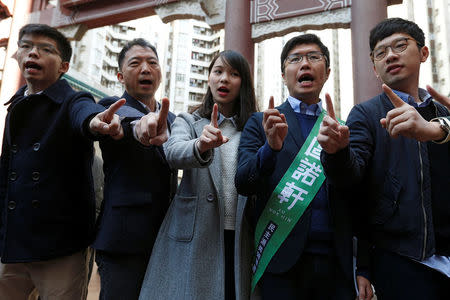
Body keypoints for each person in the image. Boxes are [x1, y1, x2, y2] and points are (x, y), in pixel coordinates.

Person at [318, 18, 450, 300]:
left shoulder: (443, 112)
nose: (390, 55)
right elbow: (350, 180)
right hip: (400, 257)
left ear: (423, 53)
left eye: (400, 46)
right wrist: (337, 152)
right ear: (374, 66)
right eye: (380, 52)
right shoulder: (365, 114)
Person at [235, 33, 372, 300]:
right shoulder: (261, 123)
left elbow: (358, 195)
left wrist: (364, 265)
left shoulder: (341, 127)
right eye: (295, 59)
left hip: (336, 263)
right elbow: (243, 182)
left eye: (313, 57)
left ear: (327, 71)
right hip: (280, 261)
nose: (304, 64)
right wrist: (270, 149)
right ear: (285, 73)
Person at [0, 23, 124, 300]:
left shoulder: (72, 100)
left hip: (60, 246)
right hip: (13, 243)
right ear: (17, 56)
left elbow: (85, 113)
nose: (34, 53)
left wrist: (96, 121)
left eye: (46, 49)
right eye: (26, 46)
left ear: (63, 67)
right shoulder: (15, 106)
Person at [138, 50, 257, 300]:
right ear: (209, 78)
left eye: (234, 74)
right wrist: (200, 145)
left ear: (243, 83)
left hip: (241, 233)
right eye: (218, 72)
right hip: (195, 231)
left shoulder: (253, 128)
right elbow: (172, 151)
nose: (224, 79)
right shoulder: (189, 120)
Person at [91, 38, 176, 300]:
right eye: (135, 63)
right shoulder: (111, 108)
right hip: (123, 242)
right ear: (120, 75)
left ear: (161, 72)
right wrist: (140, 128)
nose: (146, 69)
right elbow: (128, 126)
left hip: (168, 239)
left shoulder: (173, 119)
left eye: (152, 63)